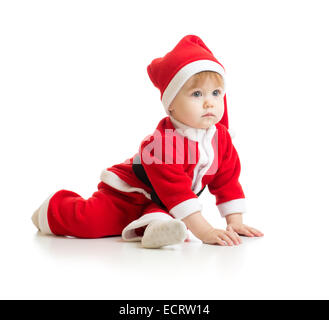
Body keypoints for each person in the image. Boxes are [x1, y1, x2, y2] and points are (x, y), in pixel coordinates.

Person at [32, 34, 263, 248]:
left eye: (216, 93)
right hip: (130, 194)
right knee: (92, 222)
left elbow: (227, 181)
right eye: (196, 94)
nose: (209, 103)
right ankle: (52, 210)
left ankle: (154, 227)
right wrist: (205, 232)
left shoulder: (220, 139)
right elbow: (178, 193)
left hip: (165, 203)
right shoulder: (163, 144)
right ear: (171, 103)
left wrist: (235, 221)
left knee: (168, 216)